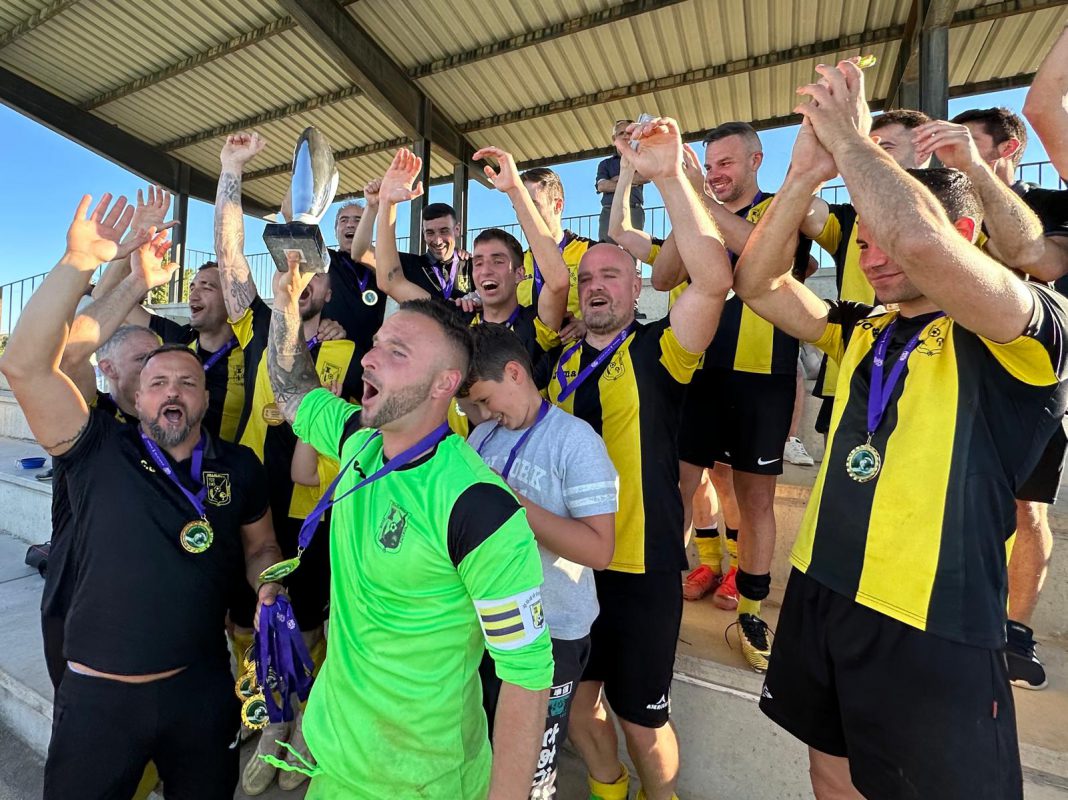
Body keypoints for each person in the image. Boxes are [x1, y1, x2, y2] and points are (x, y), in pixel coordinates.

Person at [734, 60, 1068, 800]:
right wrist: (802, 180)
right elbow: (756, 283)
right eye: (861, 246)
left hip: (932, 618)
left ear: (966, 232)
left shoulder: (1025, 327)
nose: (874, 258)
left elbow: (917, 243)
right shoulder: (864, 327)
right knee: (830, 769)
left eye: (884, 238)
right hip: (823, 587)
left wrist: (858, 147)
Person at [1, 193, 283, 800]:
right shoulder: (97, 446)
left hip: (201, 690)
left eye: (187, 381)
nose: (172, 390)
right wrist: (84, 264)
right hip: (101, 700)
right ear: (134, 394)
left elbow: (261, 546)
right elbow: (27, 365)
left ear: (206, 398)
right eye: (156, 381)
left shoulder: (239, 465)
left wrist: (269, 581)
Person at [264, 247, 554, 798]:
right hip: (332, 763)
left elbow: (526, 676)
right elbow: (294, 390)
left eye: (396, 352)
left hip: (427, 783)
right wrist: (284, 309)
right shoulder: (357, 440)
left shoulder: (478, 507)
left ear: (446, 384)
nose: (369, 361)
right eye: (375, 346)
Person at [549, 116, 732, 800]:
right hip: (568, 567)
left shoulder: (660, 350)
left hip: (642, 565)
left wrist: (670, 177)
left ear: (635, 290)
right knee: (577, 705)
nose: (596, 284)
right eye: (587, 276)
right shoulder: (557, 363)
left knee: (643, 719)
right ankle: (608, 789)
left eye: (611, 275)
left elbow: (712, 282)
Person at [215, 131, 362, 793]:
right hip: (253, 498)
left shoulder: (349, 344)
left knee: (306, 623)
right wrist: (229, 172)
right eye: (290, 270)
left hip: (314, 511)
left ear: (330, 280)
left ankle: (300, 726)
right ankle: (267, 714)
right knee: (252, 614)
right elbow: (227, 258)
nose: (300, 281)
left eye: (313, 271)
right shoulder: (256, 321)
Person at [927, 106, 1068, 691]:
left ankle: (1015, 632)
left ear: (1012, 147)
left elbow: (1040, 259)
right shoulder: (947, 208)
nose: (955, 163)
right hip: (949, 380)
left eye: (971, 148)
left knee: (1027, 510)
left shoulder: (1053, 206)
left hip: (1030, 390)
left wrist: (978, 180)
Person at [463, 323, 618, 799]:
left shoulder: (576, 440)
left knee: (530, 772)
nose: (484, 413)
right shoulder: (483, 436)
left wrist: (512, 505)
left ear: (515, 372)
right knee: (485, 755)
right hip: (484, 625)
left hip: (553, 632)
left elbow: (599, 550)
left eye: (487, 400)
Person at [801, 109, 933, 438]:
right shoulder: (848, 219)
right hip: (853, 368)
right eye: (867, 148)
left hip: (927, 372)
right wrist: (810, 170)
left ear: (924, 150)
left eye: (884, 148)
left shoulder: (949, 217)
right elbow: (803, 211)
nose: (871, 159)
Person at [351, 194, 475, 301]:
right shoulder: (410, 265)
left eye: (444, 231)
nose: (437, 241)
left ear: (457, 230)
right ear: (423, 233)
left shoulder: (473, 266)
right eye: (430, 233)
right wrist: (372, 206)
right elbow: (361, 253)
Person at [516, 166, 596, 322]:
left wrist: (588, 326)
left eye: (532, 206)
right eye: (519, 207)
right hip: (525, 345)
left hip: (574, 345)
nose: (523, 214)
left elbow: (618, 303)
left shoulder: (590, 252)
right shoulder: (517, 261)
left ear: (558, 206)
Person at [596, 119, 648, 242]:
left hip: (634, 211)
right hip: (609, 211)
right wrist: (631, 180)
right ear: (614, 139)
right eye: (621, 133)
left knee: (633, 252)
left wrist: (617, 179)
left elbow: (645, 177)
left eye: (629, 133)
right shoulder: (605, 164)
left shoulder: (641, 159)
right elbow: (602, 186)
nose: (625, 136)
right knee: (607, 252)